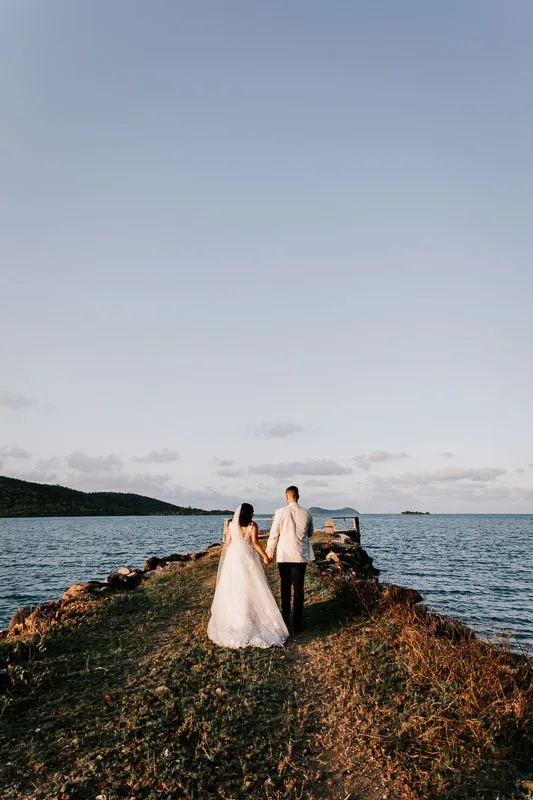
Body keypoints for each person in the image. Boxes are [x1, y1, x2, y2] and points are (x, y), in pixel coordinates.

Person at [207, 503, 288, 648]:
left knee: (234, 588)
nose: (254, 514)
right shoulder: (253, 526)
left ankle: (237, 618)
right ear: (248, 513)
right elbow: (256, 544)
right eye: (252, 512)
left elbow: (228, 543)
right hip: (248, 559)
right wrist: (266, 557)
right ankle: (251, 616)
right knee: (251, 587)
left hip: (233, 559)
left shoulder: (231, 525)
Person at [266, 486, 315, 634]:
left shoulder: (280, 512)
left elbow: (273, 535)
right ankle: (298, 624)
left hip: (284, 555)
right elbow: (311, 533)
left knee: (285, 586)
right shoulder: (307, 513)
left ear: (287, 497)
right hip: (300, 555)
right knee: (299, 588)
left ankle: (285, 618)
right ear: (298, 496)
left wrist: (269, 553)